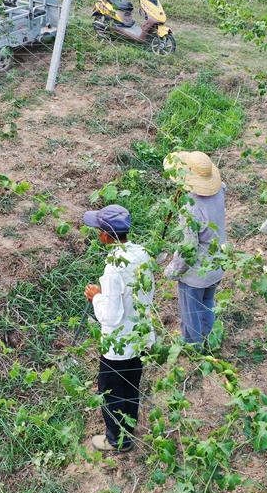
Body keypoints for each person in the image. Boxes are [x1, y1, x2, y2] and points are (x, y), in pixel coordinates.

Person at [83, 204, 156, 452]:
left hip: (119, 343)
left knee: (112, 391)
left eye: (98, 230)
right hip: (140, 335)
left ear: (105, 235)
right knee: (131, 385)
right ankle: (129, 427)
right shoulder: (142, 253)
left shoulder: (113, 269)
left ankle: (117, 439)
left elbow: (111, 316)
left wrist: (97, 297)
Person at [163, 151, 227, 346]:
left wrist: (172, 271)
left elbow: (188, 249)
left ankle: (194, 347)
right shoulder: (220, 191)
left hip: (196, 274)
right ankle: (208, 334)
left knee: (190, 313)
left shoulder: (190, 210)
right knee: (207, 302)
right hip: (217, 262)